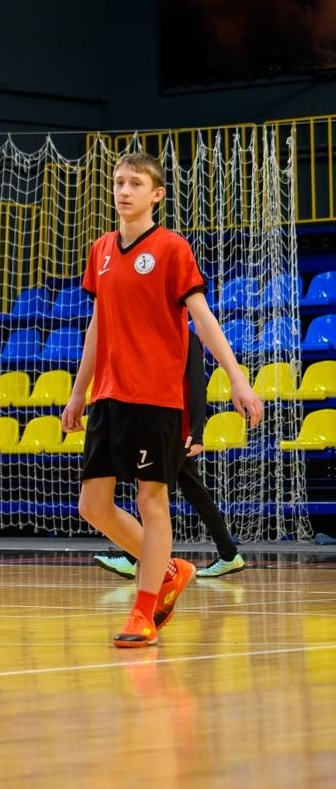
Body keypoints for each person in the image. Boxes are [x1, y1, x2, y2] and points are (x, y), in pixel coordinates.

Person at [62, 153, 262, 648]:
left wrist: (237, 379)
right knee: (92, 505)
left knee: (150, 500)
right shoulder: (100, 250)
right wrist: (79, 391)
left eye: (135, 183)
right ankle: (169, 570)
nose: (124, 190)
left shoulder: (172, 249)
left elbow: (203, 318)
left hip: (156, 397)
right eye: (118, 182)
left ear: (157, 195)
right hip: (108, 394)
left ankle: (144, 611)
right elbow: (98, 324)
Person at [93, 337, 244, 580]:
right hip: (168, 427)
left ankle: (131, 558)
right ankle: (228, 554)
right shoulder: (164, 338)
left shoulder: (188, 339)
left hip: (177, 430)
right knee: (192, 492)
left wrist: (196, 431)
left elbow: (197, 385)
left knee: (151, 493)